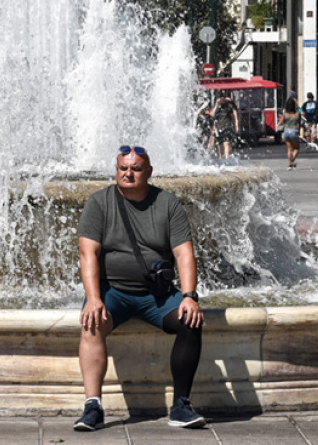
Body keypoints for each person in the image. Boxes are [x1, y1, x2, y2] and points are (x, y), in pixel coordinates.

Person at [74, 145, 206, 431]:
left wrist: (189, 296)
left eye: (135, 168)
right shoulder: (99, 202)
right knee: (91, 320)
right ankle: (92, 407)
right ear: (116, 170)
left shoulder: (168, 203)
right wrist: (94, 298)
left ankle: (181, 405)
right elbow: (88, 254)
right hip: (113, 292)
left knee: (190, 322)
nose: (128, 174)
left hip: (155, 296)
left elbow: (184, 253)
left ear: (149, 172)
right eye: (123, 168)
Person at [211, 95, 237, 160]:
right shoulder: (216, 106)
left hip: (227, 127)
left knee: (227, 143)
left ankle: (227, 159)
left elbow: (234, 117)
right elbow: (212, 115)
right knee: (220, 146)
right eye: (220, 98)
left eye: (223, 97)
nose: (221, 99)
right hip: (218, 128)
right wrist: (217, 104)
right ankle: (221, 158)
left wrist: (235, 126)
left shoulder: (228, 106)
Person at [281, 97, 302, 169]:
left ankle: (290, 164)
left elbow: (281, 122)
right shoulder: (297, 113)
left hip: (286, 132)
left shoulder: (285, 114)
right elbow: (299, 123)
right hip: (294, 131)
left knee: (289, 149)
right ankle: (293, 158)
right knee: (296, 148)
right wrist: (299, 132)